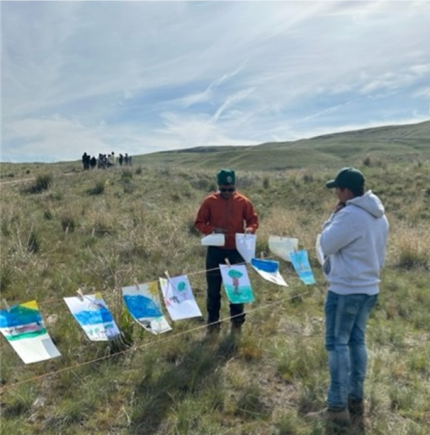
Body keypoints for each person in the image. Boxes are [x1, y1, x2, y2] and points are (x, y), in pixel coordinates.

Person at [309, 167, 389, 430]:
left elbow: (326, 245)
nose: (335, 193)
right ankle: (356, 401)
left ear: (346, 191)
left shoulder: (350, 215)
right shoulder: (379, 216)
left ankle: (336, 406)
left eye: (337, 189)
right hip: (368, 288)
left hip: (345, 290)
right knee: (356, 342)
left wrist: (330, 220)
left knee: (337, 344)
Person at [194, 169, 258, 336]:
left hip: (236, 251)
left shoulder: (243, 202)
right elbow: (199, 222)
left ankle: (237, 323)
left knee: (238, 290)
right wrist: (212, 230)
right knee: (213, 290)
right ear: (218, 187)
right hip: (215, 252)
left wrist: (250, 229)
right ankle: (213, 324)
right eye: (223, 189)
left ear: (235, 186)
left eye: (231, 189)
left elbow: (252, 220)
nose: (227, 193)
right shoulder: (209, 202)